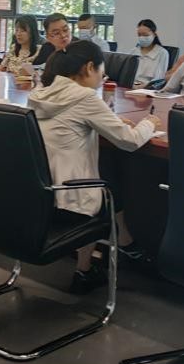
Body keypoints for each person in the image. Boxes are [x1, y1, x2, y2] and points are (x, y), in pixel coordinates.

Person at [28, 40, 161, 293]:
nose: (102, 78)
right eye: (102, 72)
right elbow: (130, 141)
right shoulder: (85, 97)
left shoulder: (40, 94)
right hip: (71, 197)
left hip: (41, 190)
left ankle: (123, 245)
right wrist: (150, 123)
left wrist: (110, 120)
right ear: (89, 67)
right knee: (110, 187)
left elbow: (72, 123)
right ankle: (86, 268)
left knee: (108, 174)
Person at [132, 18, 170, 87]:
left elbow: (159, 78)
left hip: (149, 87)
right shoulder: (134, 51)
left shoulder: (162, 53)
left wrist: (145, 85)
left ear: (154, 34)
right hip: (131, 85)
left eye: (145, 35)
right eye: (139, 35)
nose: (142, 38)